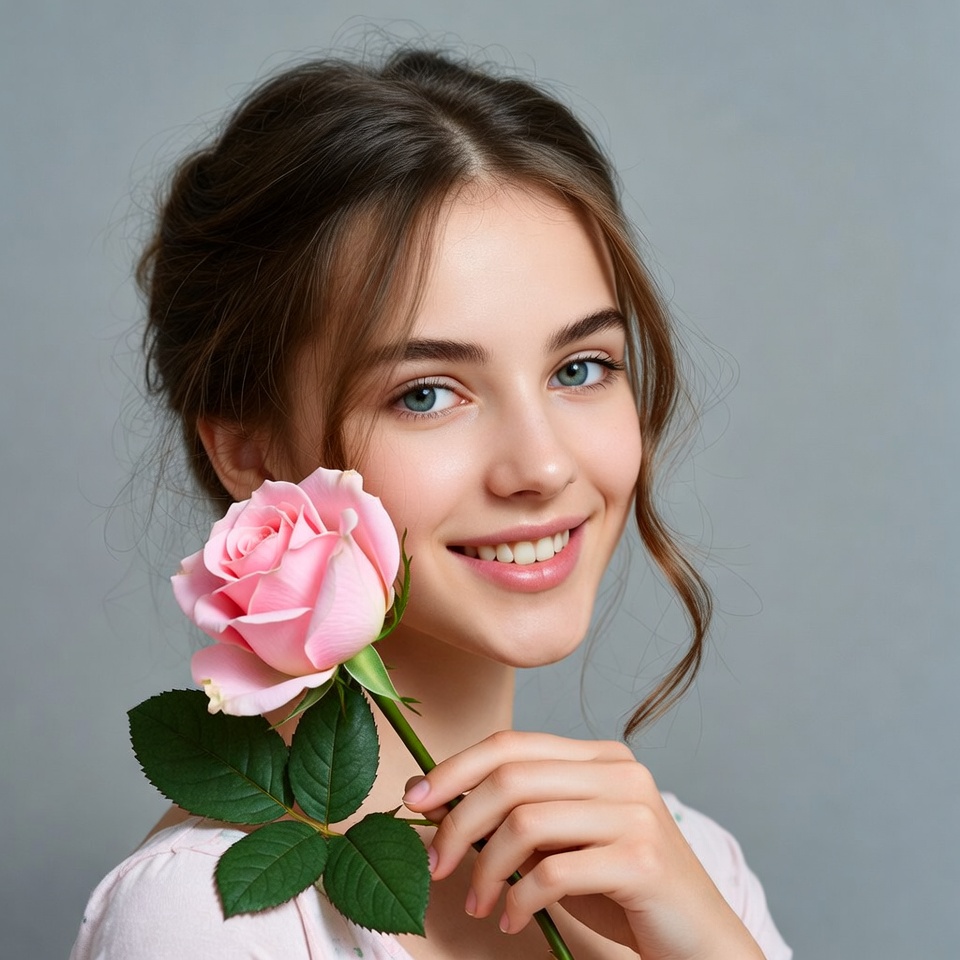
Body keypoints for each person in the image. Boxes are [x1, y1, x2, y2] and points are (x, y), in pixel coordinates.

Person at [72, 48, 792, 959]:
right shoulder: (211, 917)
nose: (541, 465)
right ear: (249, 451)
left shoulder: (682, 866)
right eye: (426, 393)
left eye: (581, 369)